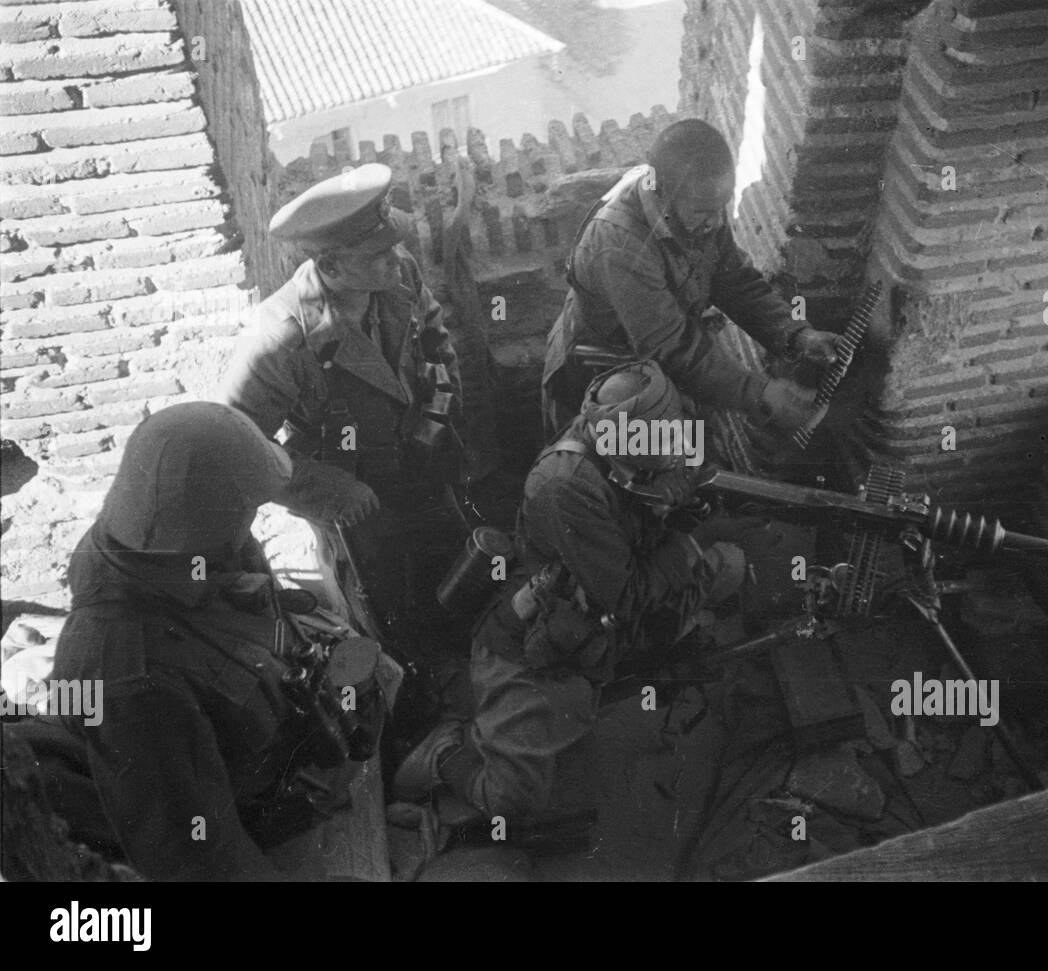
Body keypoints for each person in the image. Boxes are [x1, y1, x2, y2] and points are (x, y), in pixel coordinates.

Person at [9, 403, 383, 881]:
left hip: (265, 756)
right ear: (210, 517)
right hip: (233, 820)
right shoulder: (132, 678)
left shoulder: (163, 543)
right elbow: (197, 857)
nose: (252, 517)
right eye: (246, 507)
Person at [393, 361, 746, 819]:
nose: (677, 448)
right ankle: (444, 752)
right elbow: (628, 596)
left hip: (614, 588)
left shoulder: (630, 434)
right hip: (545, 637)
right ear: (621, 439)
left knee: (732, 565)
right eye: (663, 442)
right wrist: (696, 537)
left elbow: (685, 471)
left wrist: (694, 496)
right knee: (513, 801)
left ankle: (646, 651)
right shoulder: (564, 487)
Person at [222, 163, 468, 745]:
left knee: (452, 572)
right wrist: (329, 492)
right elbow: (238, 448)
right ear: (329, 266)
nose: (395, 257)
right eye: (376, 254)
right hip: (356, 499)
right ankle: (409, 720)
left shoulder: (395, 273)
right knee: (381, 609)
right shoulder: (279, 339)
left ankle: (460, 675)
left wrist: (438, 411)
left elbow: (433, 333)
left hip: (421, 463)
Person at [542, 118, 842, 438]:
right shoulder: (620, 245)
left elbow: (734, 281)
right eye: (704, 211)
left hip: (652, 360)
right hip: (602, 377)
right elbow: (672, 347)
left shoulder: (701, 205)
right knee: (617, 472)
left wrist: (795, 335)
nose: (716, 221)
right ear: (661, 195)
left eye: (720, 207)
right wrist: (760, 393)